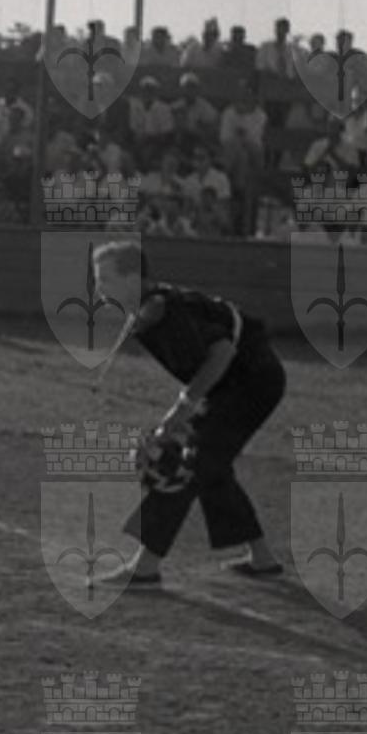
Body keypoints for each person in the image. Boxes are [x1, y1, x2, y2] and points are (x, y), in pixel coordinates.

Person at [88, 241, 286, 587]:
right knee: (210, 464)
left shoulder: (163, 309)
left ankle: (145, 567)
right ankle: (262, 557)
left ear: (133, 278)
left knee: (182, 464)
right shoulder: (149, 309)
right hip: (236, 383)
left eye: (105, 278)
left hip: (252, 382)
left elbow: (222, 352)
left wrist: (183, 406)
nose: (98, 288)